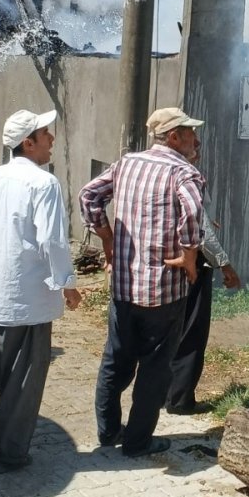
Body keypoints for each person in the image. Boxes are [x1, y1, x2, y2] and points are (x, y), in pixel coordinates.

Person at [0, 109, 80, 475]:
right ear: (29, 142)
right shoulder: (43, 184)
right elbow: (53, 241)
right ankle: (8, 455)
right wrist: (67, 286)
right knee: (21, 383)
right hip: (26, 299)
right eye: (46, 134)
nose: (52, 139)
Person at [80, 106, 205, 458]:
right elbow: (194, 213)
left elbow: (88, 195)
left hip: (123, 286)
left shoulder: (127, 163)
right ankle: (137, 442)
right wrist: (190, 255)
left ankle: (108, 432)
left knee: (115, 360)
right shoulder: (184, 172)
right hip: (164, 291)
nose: (196, 139)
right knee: (155, 368)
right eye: (190, 132)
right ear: (174, 136)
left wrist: (105, 236)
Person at [166, 131, 242, 415]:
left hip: (167, 262)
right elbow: (201, 231)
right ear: (174, 139)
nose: (198, 144)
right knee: (191, 332)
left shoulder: (155, 169)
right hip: (192, 265)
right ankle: (180, 399)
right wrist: (224, 263)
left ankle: (164, 394)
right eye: (192, 139)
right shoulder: (189, 176)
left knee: (171, 330)